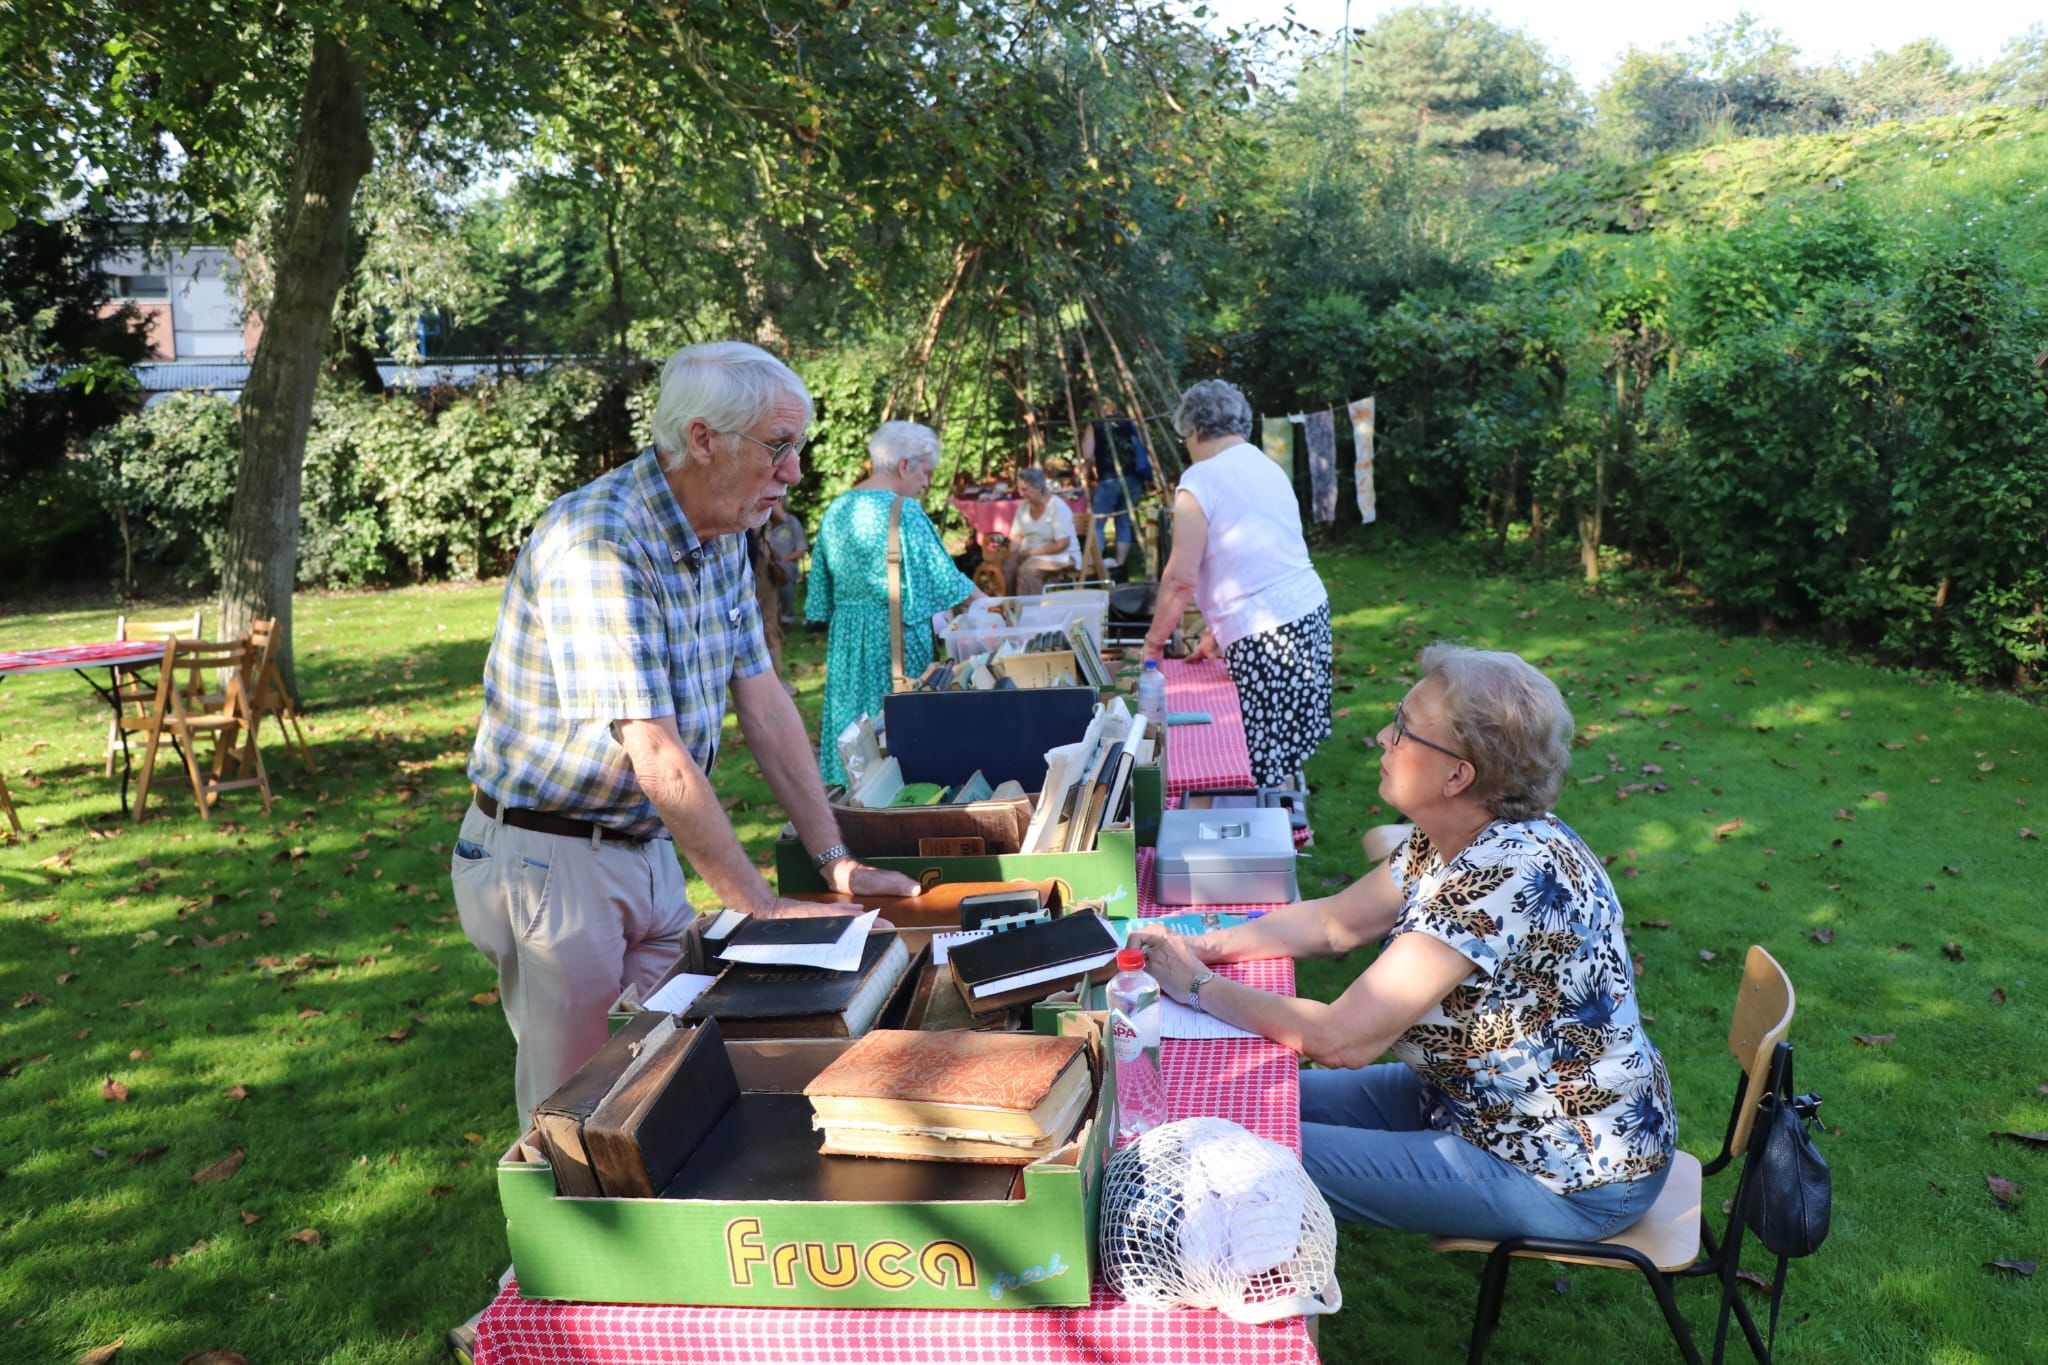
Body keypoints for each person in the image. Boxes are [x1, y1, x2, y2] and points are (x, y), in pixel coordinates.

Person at [451, 341, 921, 1135]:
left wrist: (833, 858)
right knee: (572, 1113)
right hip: (552, 857)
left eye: (796, 447)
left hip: (642, 847)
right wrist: (761, 909)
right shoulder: (599, 540)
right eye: (779, 446)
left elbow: (765, 704)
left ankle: (650, 1245)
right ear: (703, 440)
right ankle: (551, 1261)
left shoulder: (725, 530)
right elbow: (657, 754)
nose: (796, 471)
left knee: (671, 1073)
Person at [1132, 645, 1677, 1243]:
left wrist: (1195, 984)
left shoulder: (1500, 877)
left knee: (1227, 1156)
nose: (1381, 737)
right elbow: (1336, 922)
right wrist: (1205, 946)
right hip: (1471, 1103)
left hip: (1562, 1170)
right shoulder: (1457, 834)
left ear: (1457, 775)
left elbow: (1340, 1039)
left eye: (1404, 729)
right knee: (1219, 1101)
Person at [1141, 378, 1331, 787]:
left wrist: (1153, 646)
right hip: (1307, 612)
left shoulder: (1200, 480)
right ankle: (1293, 824)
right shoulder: (1265, 466)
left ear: (1192, 430)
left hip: (1267, 631)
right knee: (1286, 739)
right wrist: (1216, 631)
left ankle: (1277, 837)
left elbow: (1179, 579)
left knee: (1260, 750)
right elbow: (1255, 558)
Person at [807, 421, 979, 786]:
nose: (926, 483)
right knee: (903, 732)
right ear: (905, 465)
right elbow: (947, 581)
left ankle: (848, 809)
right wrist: (994, 607)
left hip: (847, 645)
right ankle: (900, 807)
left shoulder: (836, 509)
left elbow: (821, 596)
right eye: (926, 472)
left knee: (851, 729)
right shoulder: (905, 511)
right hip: (896, 639)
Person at [1079, 400, 1152, 572]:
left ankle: (1094, 564)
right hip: (1132, 478)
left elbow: (1088, 455)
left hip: (1109, 478)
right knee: (1124, 521)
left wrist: (1084, 474)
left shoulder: (1095, 426)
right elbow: (1141, 448)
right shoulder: (1128, 423)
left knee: (1097, 522)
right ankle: (1120, 564)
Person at [1001, 466, 1079, 595]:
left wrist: (1032, 553)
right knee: (1008, 567)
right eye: (1020, 489)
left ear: (1039, 487)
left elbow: (1062, 544)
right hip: (1030, 553)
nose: (1021, 493)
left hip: (1062, 556)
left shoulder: (1057, 507)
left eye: (1025, 489)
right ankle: (1009, 608)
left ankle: (1032, 612)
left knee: (1028, 571)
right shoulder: (1023, 508)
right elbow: (1016, 536)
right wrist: (1012, 553)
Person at [763, 501, 808, 625]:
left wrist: (782, 560)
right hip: (764, 563)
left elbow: (801, 550)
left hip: (786, 565)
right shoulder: (761, 521)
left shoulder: (792, 521)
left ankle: (786, 617)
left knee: (783, 570)